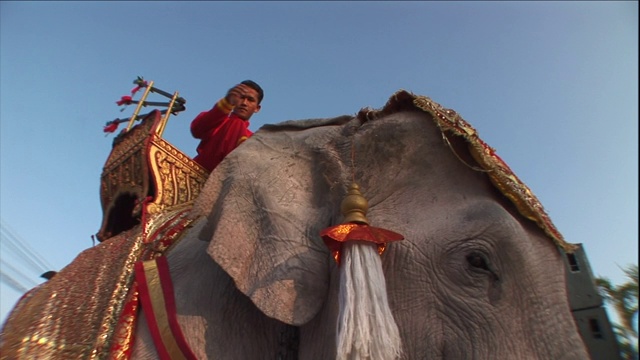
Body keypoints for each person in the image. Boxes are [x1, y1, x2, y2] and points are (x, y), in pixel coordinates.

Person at [191, 80, 264, 172]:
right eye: (241, 97)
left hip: (230, 180)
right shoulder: (218, 119)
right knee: (237, 122)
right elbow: (196, 130)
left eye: (250, 100)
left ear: (257, 108)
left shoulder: (254, 139)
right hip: (200, 172)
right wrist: (226, 103)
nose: (244, 103)